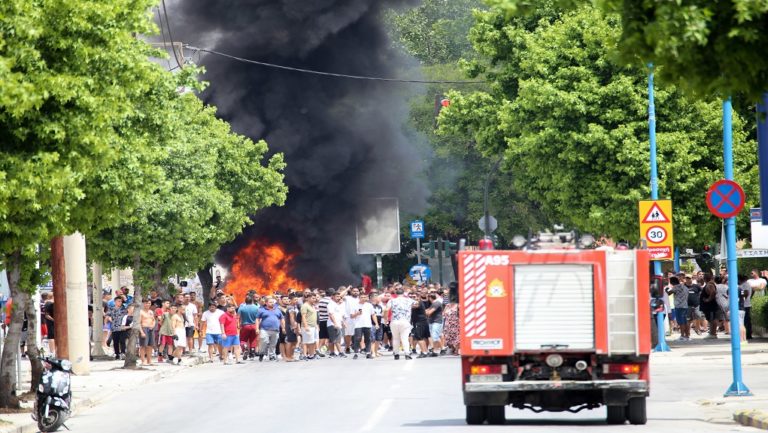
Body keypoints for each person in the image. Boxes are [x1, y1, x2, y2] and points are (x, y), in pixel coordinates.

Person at [385, 287, 416, 360]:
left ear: (396, 294)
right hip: (405, 321)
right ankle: (407, 353)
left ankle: (396, 354)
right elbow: (416, 303)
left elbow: (386, 309)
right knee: (405, 338)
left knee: (395, 338)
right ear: (403, 293)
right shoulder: (409, 300)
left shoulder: (392, 301)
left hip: (394, 321)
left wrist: (385, 319)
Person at [256, 296, 284, 362]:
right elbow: (257, 319)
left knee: (273, 343)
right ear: (266, 303)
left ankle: (272, 355)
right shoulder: (261, 310)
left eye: (273, 302)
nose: (272, 303)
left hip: (275, 329)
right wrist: (257, 328)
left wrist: (283, 328)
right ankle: (261, 353)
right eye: (270, 302)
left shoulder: (277, 310)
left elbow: (282, 319)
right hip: (264, 329)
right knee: (264, 341)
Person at [351, 293, 378, 359]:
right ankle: (356, 353)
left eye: (364, 297)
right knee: (358, 338)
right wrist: (357, 313)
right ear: (359, 298)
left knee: (368, 339)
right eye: (362, 297)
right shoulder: (355, 305)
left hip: (367, 324)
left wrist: (376, 323)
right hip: (358, 325)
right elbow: (351, 316)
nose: (363, 298)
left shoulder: (369, 305)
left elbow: (373, 314)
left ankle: (368, 353)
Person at [665, 276, 689, 341]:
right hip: (685, 305)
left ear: (672, 282)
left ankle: (682, 336)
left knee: (681, 322)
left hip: (679, 306)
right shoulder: (685, 287)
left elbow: (668, 293)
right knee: (685, 321)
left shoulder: (675, 287)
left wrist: (666, 289)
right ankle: (687, 335)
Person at [238, 295, 260, 360]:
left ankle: (245, 349)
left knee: (243, 340)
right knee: (253, 339)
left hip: (245, 326)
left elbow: (238, 317)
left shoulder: (241, 308)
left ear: (245, 301)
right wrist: (258, 327)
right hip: (254, 325)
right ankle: (252, 353)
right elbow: (258, 318)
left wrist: (238, 324)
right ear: (252, 301)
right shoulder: (256, 308)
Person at [326, 291, 346, 358]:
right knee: (337, 339)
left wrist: (343, 323)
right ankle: (340, 352)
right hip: (333, 324)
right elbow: (331, 315)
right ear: (332, 297)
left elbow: (339, 315)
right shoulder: (330, 305)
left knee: (332, 339)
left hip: (338, 323)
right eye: (337, 296)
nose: (338, 298)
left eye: (339, 297)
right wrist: (335, 323)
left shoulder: (336, 304)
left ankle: (332, 352)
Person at [411, 291, 431, 356]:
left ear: (418, 297)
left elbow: (415, 306)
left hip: (420, 322)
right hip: (422, 321)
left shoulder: (417, 302)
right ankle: (425, 351)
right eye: (411, 296)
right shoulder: (417, 302)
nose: (413, 297)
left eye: (414, 296)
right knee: (424, 337)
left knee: (419, 337)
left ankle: (424, 352)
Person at [700, 273, 719, 339]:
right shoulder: (711, 284)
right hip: (710, 306)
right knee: (712, 319)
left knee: (712, 319)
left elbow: (713, 292)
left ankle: (712, 333)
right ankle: (712, 333)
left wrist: (708, 299)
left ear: (705, 279)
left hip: (710, 306)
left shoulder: (709, 284)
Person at [301, 293, 319, 360]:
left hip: (313, 326)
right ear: (308, 298)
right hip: (307, 326)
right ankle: (304, 355)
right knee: (305, 341)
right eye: (313, 298)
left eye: (315, 298)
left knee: (313, 341)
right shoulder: (305, 306)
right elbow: (303, 316)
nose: (314, 299)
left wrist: (316, 325)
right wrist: (306, 326)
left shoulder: (312, 306)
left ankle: (311, 355)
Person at [342, 287, 360, 353]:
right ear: (351, 292)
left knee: (358, 334)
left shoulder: (359, 299)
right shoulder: (348, 298)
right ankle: (347, 347)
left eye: (357, 291)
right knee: (348, 334)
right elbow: (340, 295)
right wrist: (347, 289)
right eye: (354, 291)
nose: (355, 292)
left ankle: (357, 347)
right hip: (348, 318)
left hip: (357, 318)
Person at [139, 299, 156, 366]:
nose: (147, 304)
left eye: (149, 303)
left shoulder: (151, 311)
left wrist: (153, 325)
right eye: (146, 303)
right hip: (144, 328)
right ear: (143, 304)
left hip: (150, 329)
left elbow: (153, 320)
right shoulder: (141, 312)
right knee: (143, 345)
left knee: (150, 345)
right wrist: (142, 332)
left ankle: (149, 360)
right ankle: (143, 361)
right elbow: (139, 323)